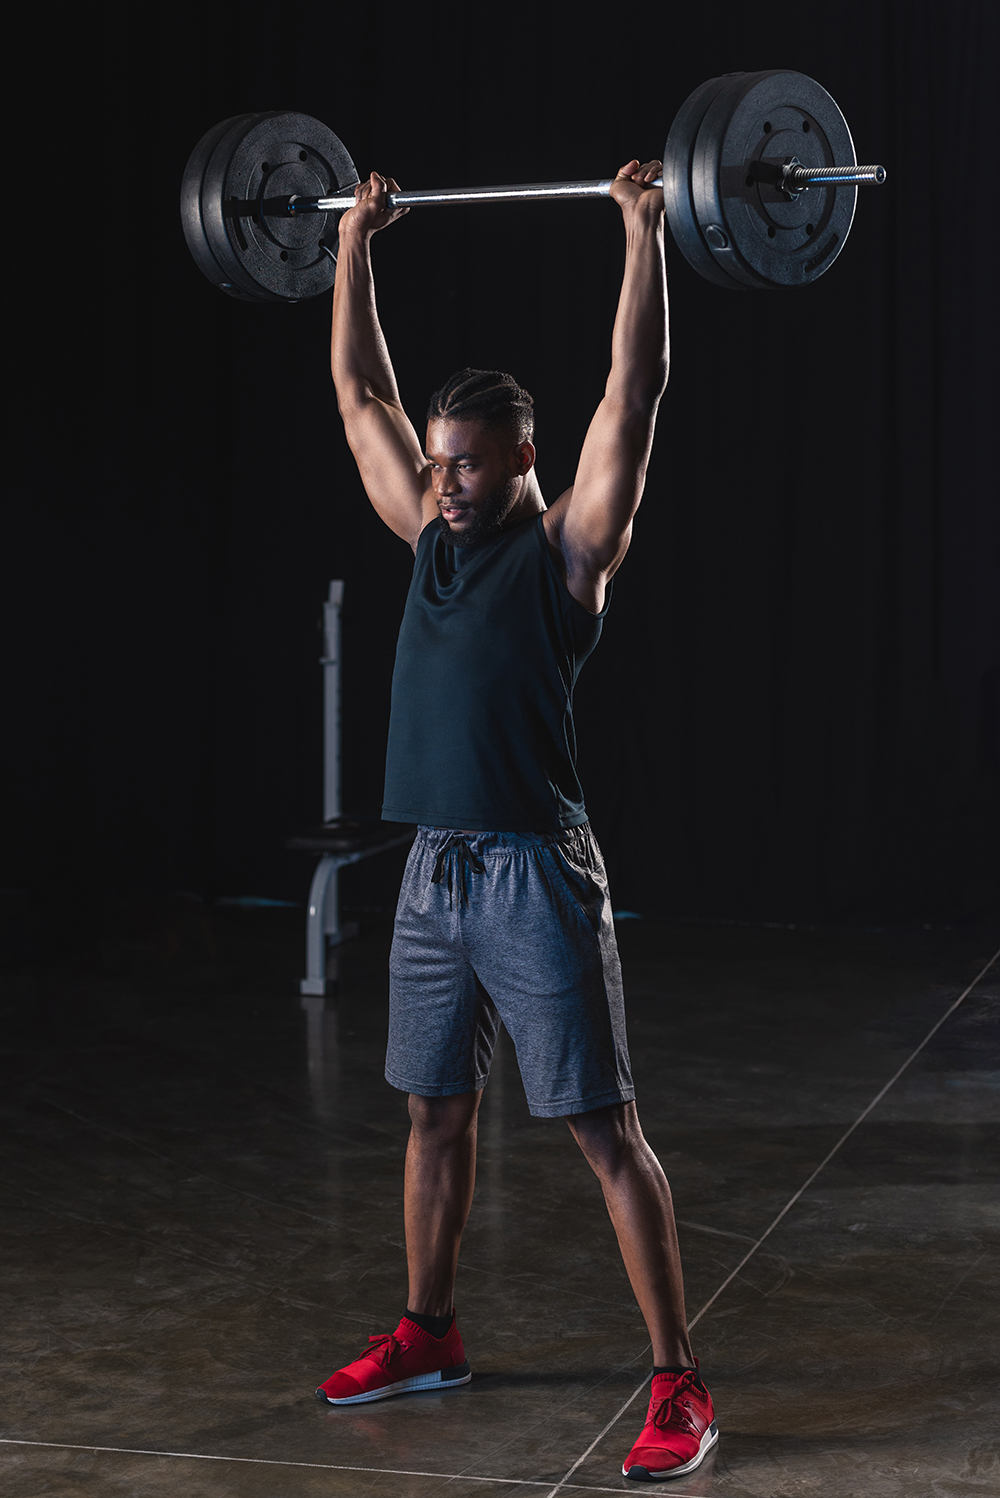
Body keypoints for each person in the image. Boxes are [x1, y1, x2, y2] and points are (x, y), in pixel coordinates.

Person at [315, 157, 717, 1484]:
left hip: (537, 870)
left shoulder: (566, 556)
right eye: (438, 464)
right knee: (434, 1114)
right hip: (433, 870)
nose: (444, 483)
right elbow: (359, 394)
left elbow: (633, 393)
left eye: (469, 464)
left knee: (604, 1129)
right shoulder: (425, 532)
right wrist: (354, 244)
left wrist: (641, 232)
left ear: (522, 458)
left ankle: (677, 1381)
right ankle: (430, 1329)